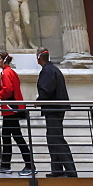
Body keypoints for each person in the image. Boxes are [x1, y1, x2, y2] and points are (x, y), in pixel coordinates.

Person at [36, 48, 77, 177]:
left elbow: (47, 90)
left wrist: (39, 100)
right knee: (52, 139)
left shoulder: (47, 71)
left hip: (53, 109)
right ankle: (57, 169)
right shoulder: (52, 69)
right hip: (56, 108)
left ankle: (70, 171)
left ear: (38, 58)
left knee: (56, 139)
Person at [0, 51, 34, 176]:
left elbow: (8, 89)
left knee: (15, 137)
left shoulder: (6, 72)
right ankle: (6, 164)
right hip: (12, 108)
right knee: (8, 136)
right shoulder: (11, 72)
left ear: (4, 60)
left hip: (10, 109)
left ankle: (29, 165)